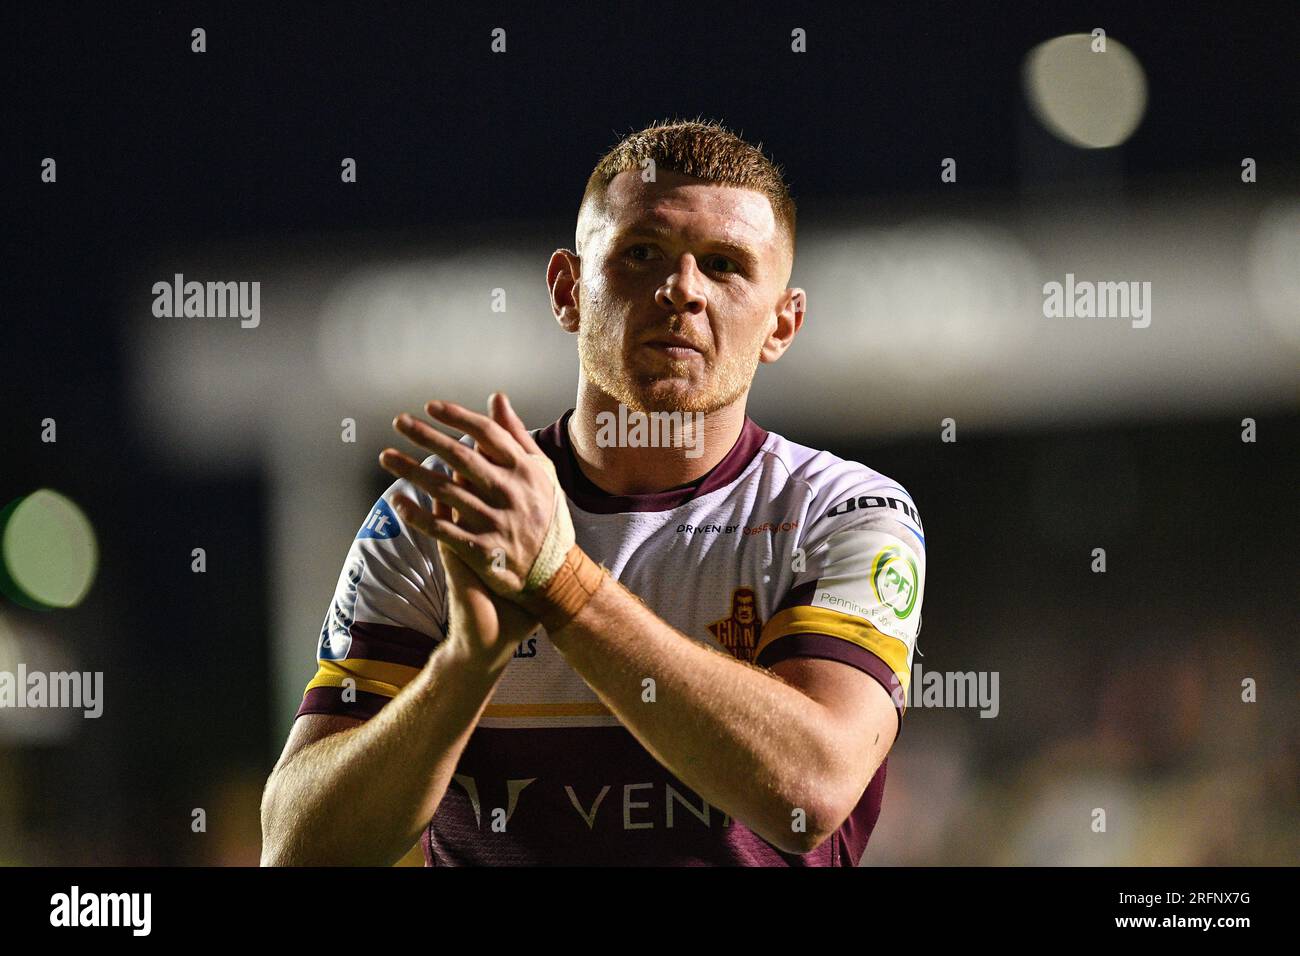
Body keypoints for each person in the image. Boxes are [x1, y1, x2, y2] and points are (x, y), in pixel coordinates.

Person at [260, 118, 926, 866]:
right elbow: (296, 851)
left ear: (783, 322)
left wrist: (562, 587)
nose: (682, 290)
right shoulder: (447, 521)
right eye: (642, 253)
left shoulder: (843, 513)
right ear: (568, 289)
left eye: (725, 265)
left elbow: (808, 792)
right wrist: (464, 668)